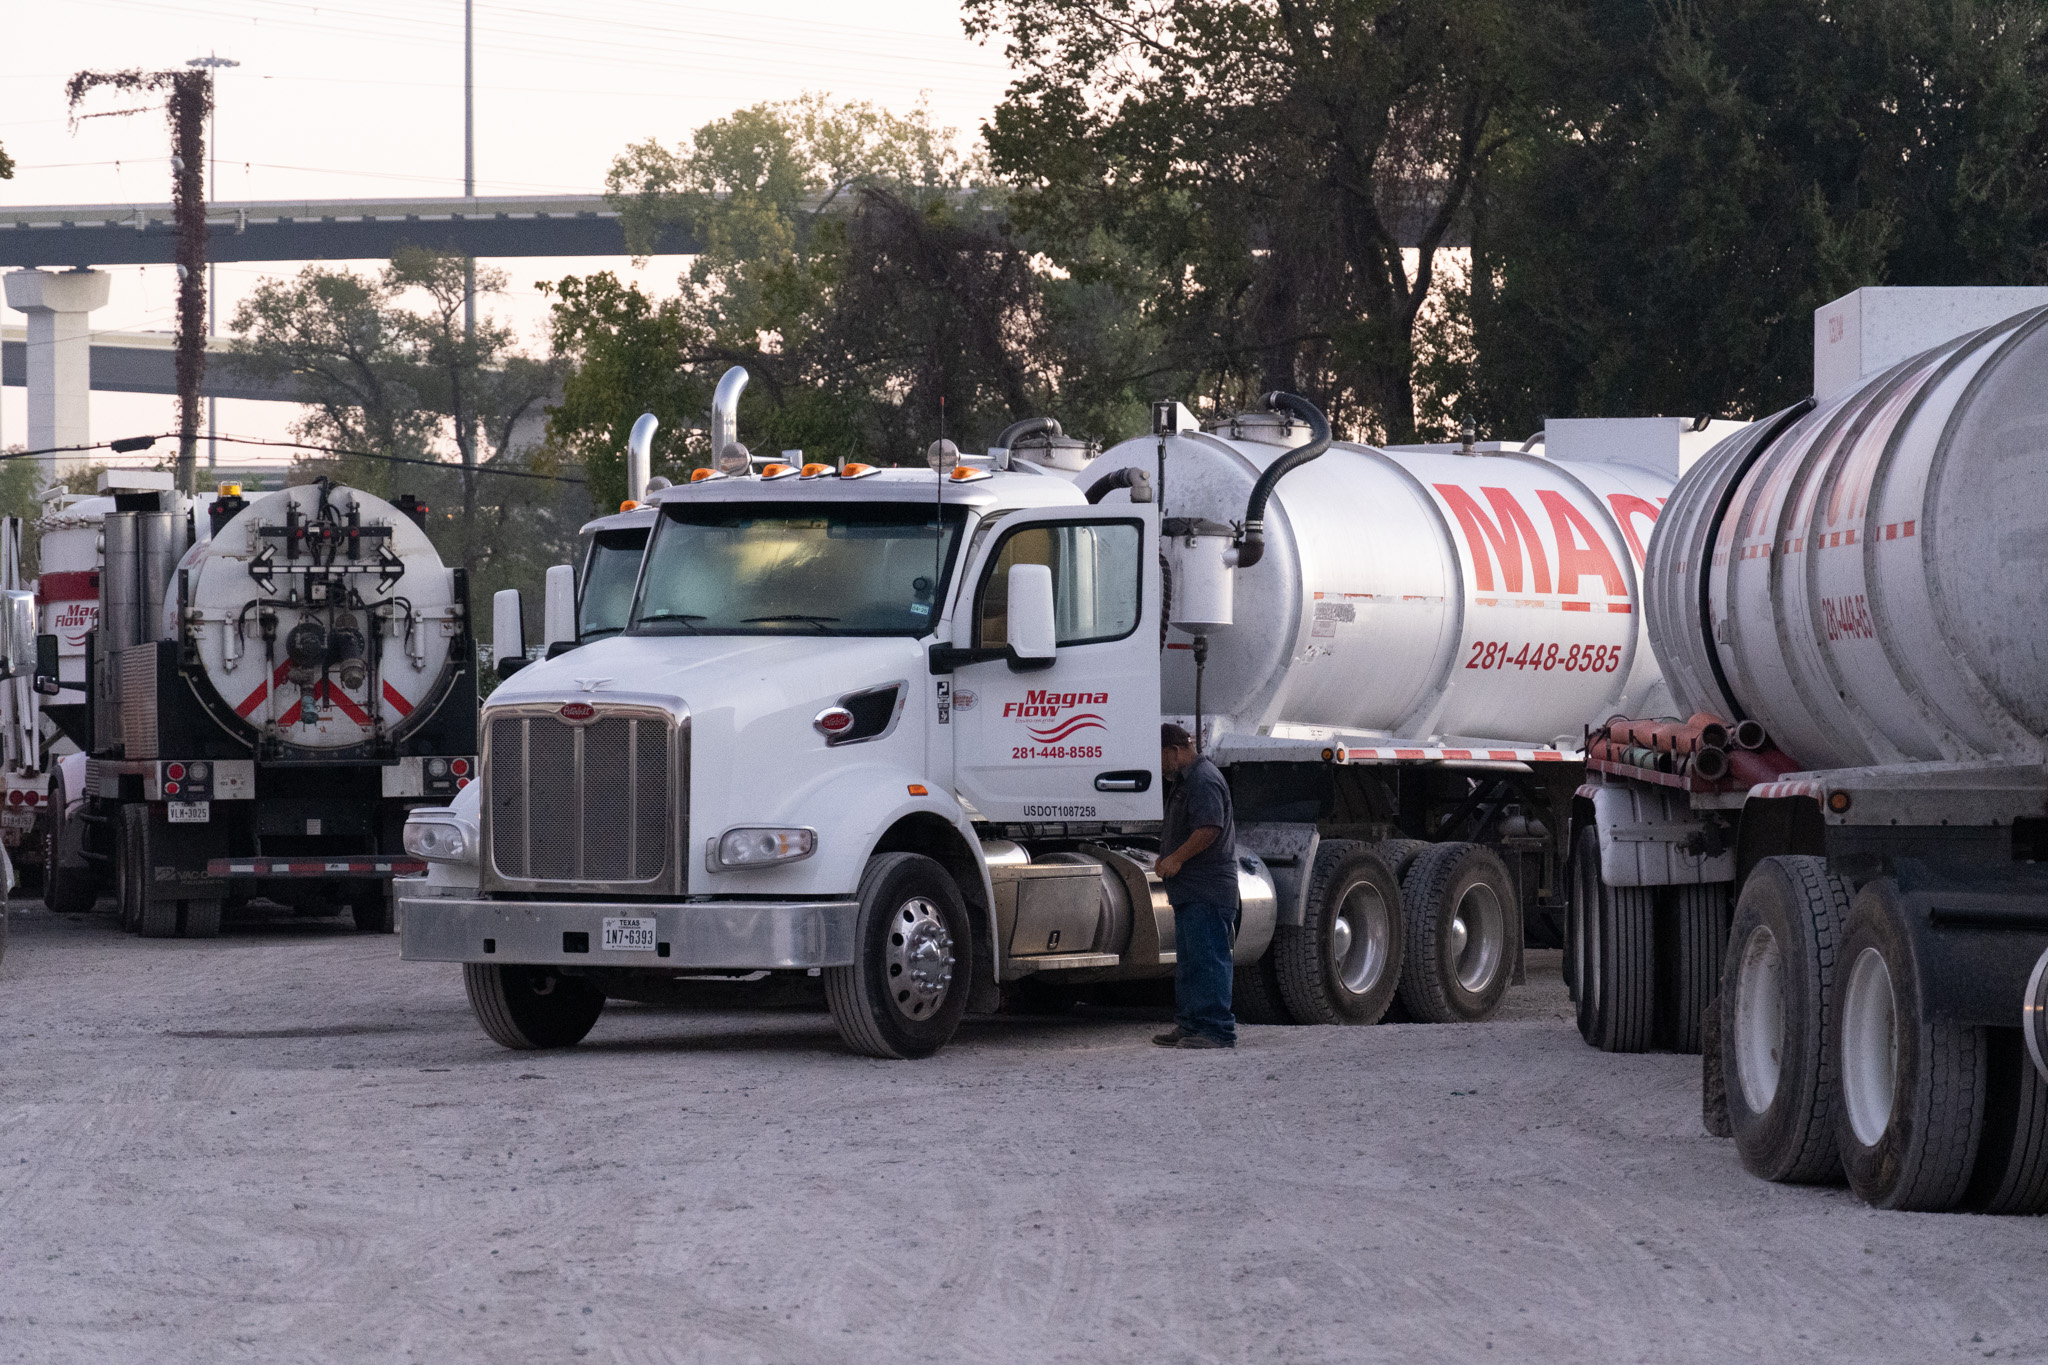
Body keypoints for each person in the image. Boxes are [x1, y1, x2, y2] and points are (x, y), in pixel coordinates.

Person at [1153, 722, 1239, 1050]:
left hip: (1208, 889)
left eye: (1159, 756)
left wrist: (1175, 858)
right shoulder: (1186, 780)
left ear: (1174, 750)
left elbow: (1208, 828)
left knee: (1208, 959)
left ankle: (1216, 1030)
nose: (1158, 765)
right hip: (1191, 890)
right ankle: (1191, 1025)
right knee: (1191, 961)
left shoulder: (1203, 780)